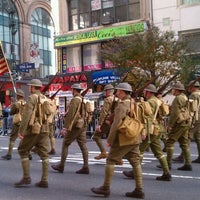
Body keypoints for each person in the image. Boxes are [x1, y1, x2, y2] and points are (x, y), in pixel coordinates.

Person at [91, 82, 145, 198]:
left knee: (110, 160)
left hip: (124, 138)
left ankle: (105, 187)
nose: (116, 93)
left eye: (118, 91)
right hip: (135, 136)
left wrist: (110, 139)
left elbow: (116, 124)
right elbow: (141, 119)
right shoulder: (134, 103)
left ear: (121, 92)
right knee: (135, 161)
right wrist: (142, 133)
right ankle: (139, 189)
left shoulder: (122, 105)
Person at [123, 84, 171, 181]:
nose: (144, 93)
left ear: (148, 92)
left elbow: (147, 118)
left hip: (150, 129)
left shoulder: (150, 102)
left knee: (139, 151)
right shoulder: (158, 101)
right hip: (157, 128)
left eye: (145, 91)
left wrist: (144, 131)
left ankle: (135, 173)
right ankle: (166, 173)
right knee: (158, 152)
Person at [15, 79, 50, 188]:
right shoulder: (45, 98)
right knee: (44, 154)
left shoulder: (32, 98)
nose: (30, 88)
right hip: (44, 128)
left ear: (33, 87)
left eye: (31, 86)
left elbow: (26, 116)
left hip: (33, 129)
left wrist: (21, 131)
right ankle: (44, 180)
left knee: (22, 150)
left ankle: (26, 177)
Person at [51, 83, 89, 174]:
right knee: (83, 146)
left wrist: (65, 127)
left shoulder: (75, 100)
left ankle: (61, 165)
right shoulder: (82, 99)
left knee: (65, 143)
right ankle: (86, 166)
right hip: (82, 124)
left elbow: (71, 114)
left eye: (72, 90)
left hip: (75, 125)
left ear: (74, 90)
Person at [166, 82, 192, 171]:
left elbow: (175, 113)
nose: (172, 90)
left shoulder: (177, 98)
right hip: (185, 122)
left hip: (179, 123)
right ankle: (188, 163)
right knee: (184, 143)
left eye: (173, 89)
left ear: (176, 90)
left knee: (170, 142)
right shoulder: (184, 96)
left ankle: (167, 164)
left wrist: (170, 125)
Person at [92, 84, 117, 160]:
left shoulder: (108, 99)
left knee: (96, 136)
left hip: (107, 121)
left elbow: (104, 112)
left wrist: (99, 124)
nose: (104, 93)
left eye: (105, 91)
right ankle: (116, 156)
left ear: (107, 91)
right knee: (113, 138)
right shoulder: (116, 99)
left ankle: (103, 152)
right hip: (114, 121)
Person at [2, 89, 26, 160]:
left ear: (18, 96)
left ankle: (9, 154)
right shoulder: (26, 103)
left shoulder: (16, 104)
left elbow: (12, 112)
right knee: (24, 138)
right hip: (24, 122)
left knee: (12, 138)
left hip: (18, 122)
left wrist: (13, 106)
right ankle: (28, 153)